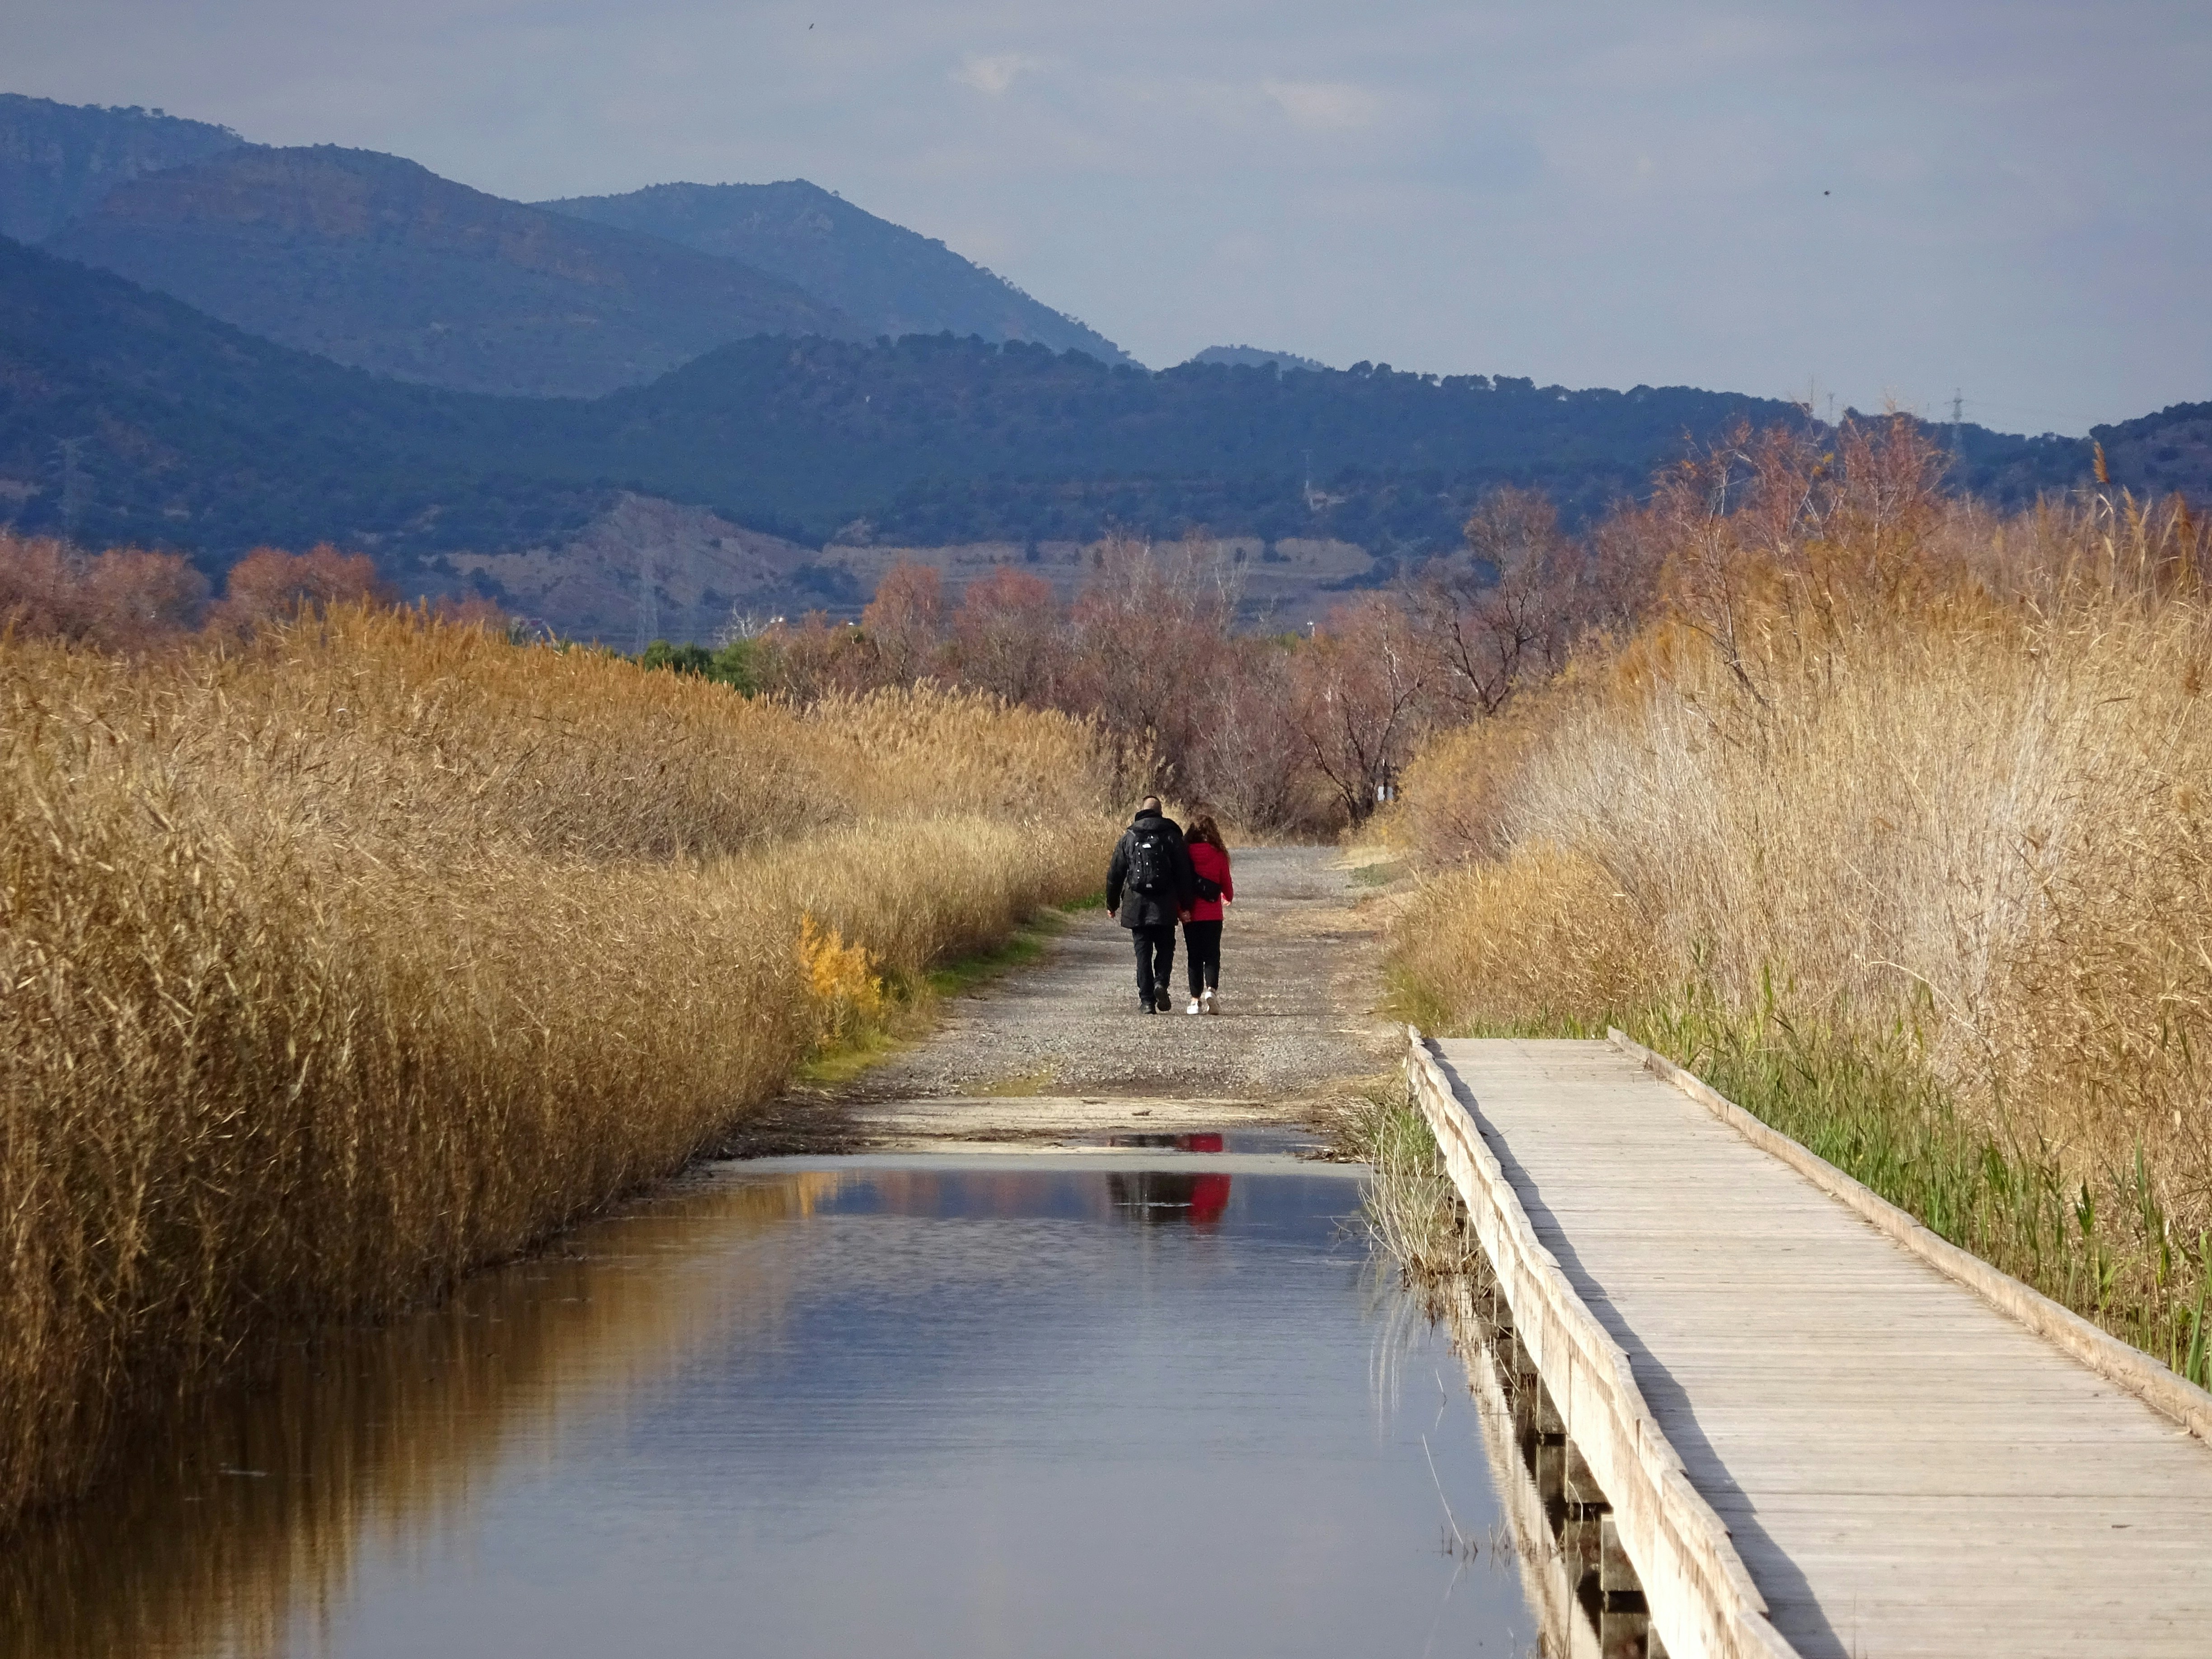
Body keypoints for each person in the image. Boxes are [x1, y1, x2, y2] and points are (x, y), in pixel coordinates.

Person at [1105, 794, 1195, 1013]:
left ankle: (1147, 1001)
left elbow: (1115, 873)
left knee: (1142, 953)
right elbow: (1184, 874)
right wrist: (1186, 905)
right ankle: (1161, 983)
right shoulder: (1171, 836)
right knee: (1165, 947)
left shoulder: (1129, 836)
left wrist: (1112, 903)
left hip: (1136, 905)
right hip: (1164, 904)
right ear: (1160, 812)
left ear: (1142, 811)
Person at [1181, 814, 1233, 1015]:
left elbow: (1181, 883)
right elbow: (1226, 882)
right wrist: (1227, 896)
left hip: (1191, 913)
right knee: (1212, 954)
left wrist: (1181, 910)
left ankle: (1195, 1001)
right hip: (1213, 914)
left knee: (1194, 956)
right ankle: (1211, 990)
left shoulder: (1185, 854)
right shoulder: (1218, 854)